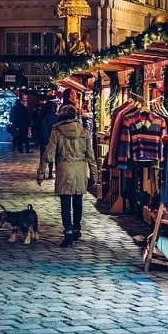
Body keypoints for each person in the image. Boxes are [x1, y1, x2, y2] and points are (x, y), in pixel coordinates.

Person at [37, 105, 98, 248]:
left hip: (64, 169)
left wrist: (41, 173)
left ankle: (68, 233)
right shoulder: (83, 131)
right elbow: (90, 155)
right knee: (78, 202)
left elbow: (49, 153)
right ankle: (77, 229)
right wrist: (94, 176)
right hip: (80, 171)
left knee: (65, 204)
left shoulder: (57, 131)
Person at [37, 99, 59, 178]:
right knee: (51, 156)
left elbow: (37, 128)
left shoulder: (42, 117)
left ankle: (42, 173)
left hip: (43, 139)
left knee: (42, 157)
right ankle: (50, 173)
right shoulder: (56, 118)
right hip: (53, 140)